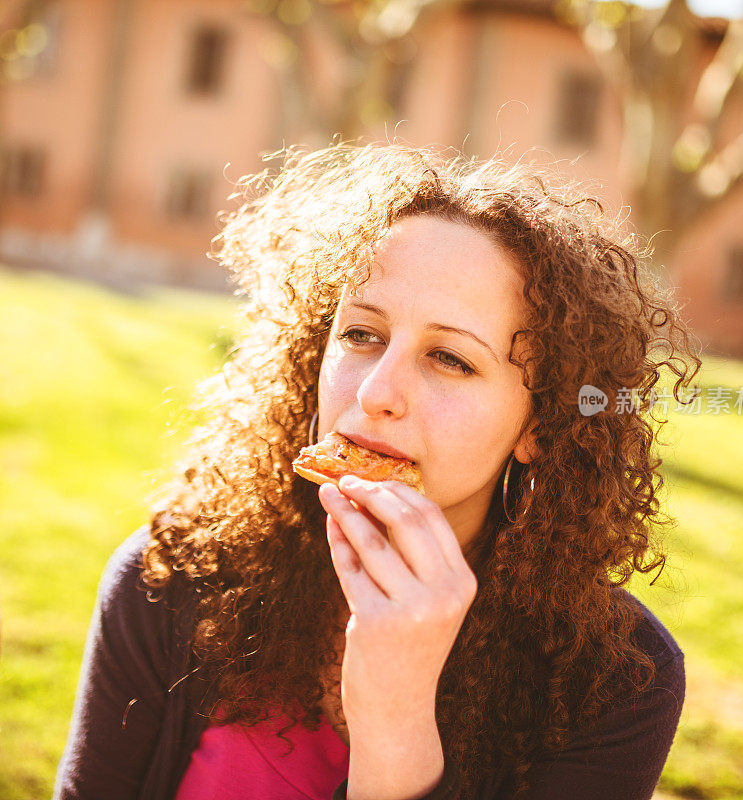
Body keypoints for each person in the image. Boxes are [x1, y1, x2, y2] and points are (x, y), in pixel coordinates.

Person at [54, 143, 700, 800]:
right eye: (361, 335)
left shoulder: (618, 682)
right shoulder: (169, 581)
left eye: (449, 358)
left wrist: (397, 721)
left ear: (540, 424)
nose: (374, 393)